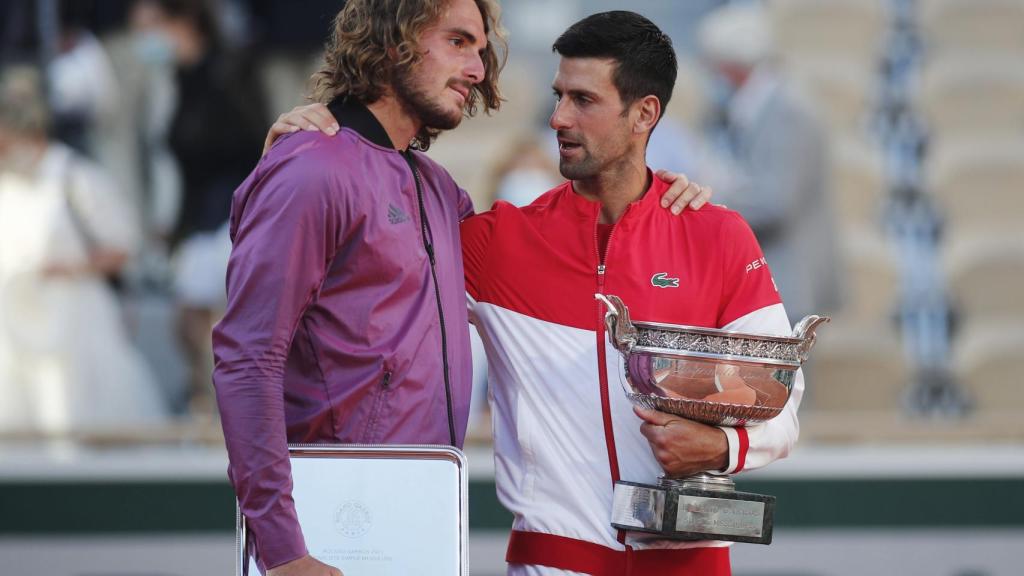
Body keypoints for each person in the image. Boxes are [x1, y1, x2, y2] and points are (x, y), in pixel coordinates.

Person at [269, 10, 798, 576]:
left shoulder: (716, 234)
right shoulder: (497, 242)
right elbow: (335, 262)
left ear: (645, 113)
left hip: (696, 563)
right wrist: (304, 152)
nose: (558, 118)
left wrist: (724, 450)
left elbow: (784, 399)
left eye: (584, 101)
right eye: (558, 95)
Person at [0, 65, 166, 435]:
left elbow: (123, 247)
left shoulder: (76, 177)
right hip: (13, 323)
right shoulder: (7, 182)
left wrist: (64, 268)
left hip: (74, 322)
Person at [131, 0, 269, 415]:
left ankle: (235, 410)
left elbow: (248, 145)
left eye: (155, 26)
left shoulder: (230, 73)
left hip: (233, 215)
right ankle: (208, 404)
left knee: (222, 323)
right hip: (197, 220)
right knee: (188, 323)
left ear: (183, 23)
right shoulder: (175, 79)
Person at [696, 2, 843, 321]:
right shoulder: (761, 108)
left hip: (790, 279)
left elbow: (774, 201)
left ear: (732, 66)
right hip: (774, 279)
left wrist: (708, 203)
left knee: (786, 373)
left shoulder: (786, 111)